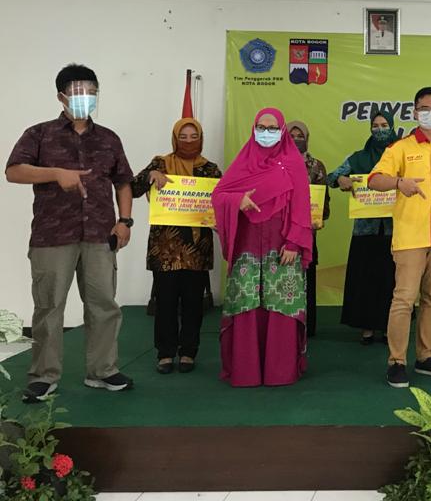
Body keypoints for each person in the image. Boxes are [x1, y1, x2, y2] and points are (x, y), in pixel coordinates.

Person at [5, 64, 135, 403]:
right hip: (52, 236)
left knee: (104, 304)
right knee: (49, 307)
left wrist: (125, 221)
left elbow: (124, 181)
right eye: (78, 92)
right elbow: (13, 171)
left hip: (100, 235)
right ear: (61, 96)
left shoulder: (108, 138)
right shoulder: (39, 134)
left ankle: (103, 371)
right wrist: (55, 173)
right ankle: (43, 377)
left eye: (91, 92)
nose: (85, 98)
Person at [368, 87, 431, 388]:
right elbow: (374, 180)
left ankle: (425, 357)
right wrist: (399, 182)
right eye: (425, 109)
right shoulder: (399, 148)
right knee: (404, 299)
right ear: (415, 112)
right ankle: (396, 362)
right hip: (410, 238)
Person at [212, 107, 312, 387]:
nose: (266, 133)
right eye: (261, 127)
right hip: (248, 246)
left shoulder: (293, 163)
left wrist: (294, 242)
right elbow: (219, 194)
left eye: (272, 128)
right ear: (253, 129)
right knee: (247, 304)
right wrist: (238, 201)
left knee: (280, 306)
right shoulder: (244, 161)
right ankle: (247, 371)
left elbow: (302, 206)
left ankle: (279, 371)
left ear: (282, 131)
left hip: (282, 246)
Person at [131, 118, 222, 374]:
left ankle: (188, 352)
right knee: (166, 302)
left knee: (193, 303)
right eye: (183, 136)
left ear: (201, 138)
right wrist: (150, 176)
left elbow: (223, 200)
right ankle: (165, 353)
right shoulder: (160, 163)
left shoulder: (211, 170)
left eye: (194, 136)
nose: (189, 141)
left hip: (197, 249)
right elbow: (133, 187)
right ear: (174, 138)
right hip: (165, 249)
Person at [328, 110, 398, 345]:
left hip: (395, 229)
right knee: (365, 278)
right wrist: (341, 180)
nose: (380, 130)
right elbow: (331, 177)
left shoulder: (402, 154)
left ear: (392, 126)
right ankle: (366, 328)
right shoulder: (359, 157)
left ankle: (389, 327)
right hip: (365, 230)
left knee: (392, 279)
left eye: (384, 125)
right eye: (375, 125)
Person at [285, 120, 331, 338]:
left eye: (300, 136)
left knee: (307, 279)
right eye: (291, 136)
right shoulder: (275, 163)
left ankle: (307, 327)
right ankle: (286, 325)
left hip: (307, 232)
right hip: (281, 232)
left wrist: (318, 218)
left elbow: (323, 200)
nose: (296, 140)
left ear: (307, 138)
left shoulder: (316, 166)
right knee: (283, 279)